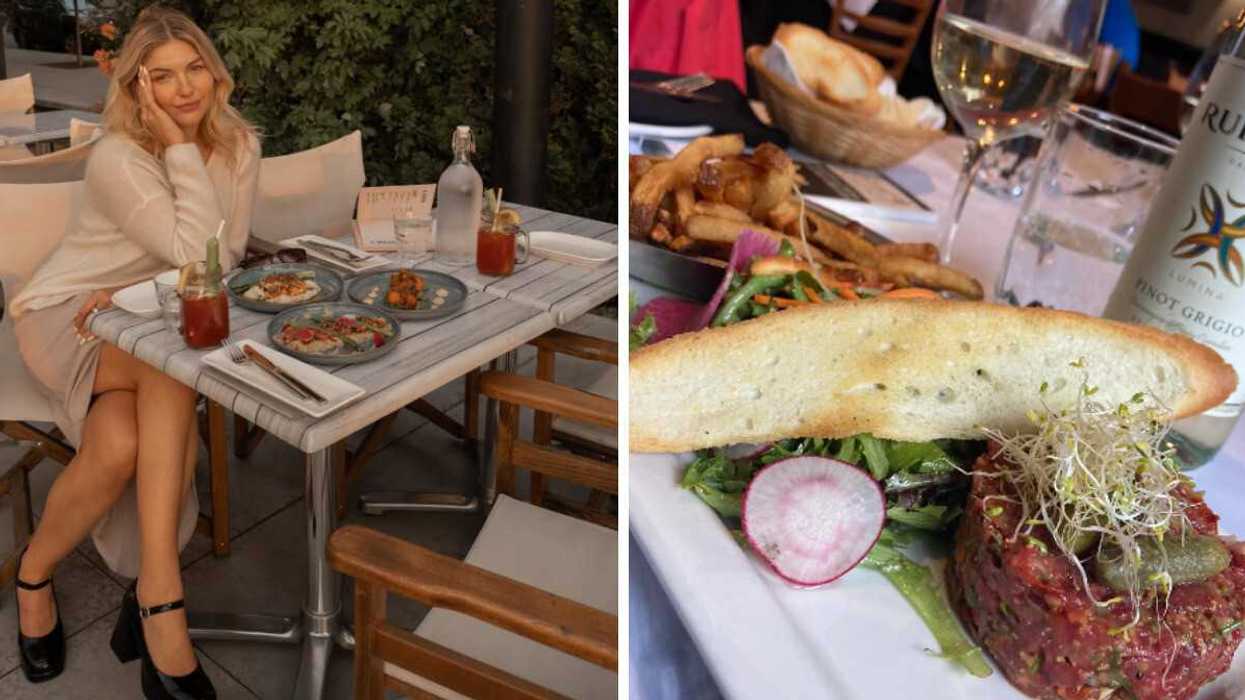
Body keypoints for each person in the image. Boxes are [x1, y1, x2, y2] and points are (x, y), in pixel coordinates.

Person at [7, 6, 259, 698]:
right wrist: (177, 146)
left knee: (121, 440)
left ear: (214, 71)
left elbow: (227, 256)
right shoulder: (119, 156)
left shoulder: (239, 145)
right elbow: (196, 255)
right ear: (137, 89)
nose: (185, 89)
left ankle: (33, 574)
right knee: (169, 359)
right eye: (162, 77)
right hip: (71, 316)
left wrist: (133, 290)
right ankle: (161, 599)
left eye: (194, 68)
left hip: (138, 312)